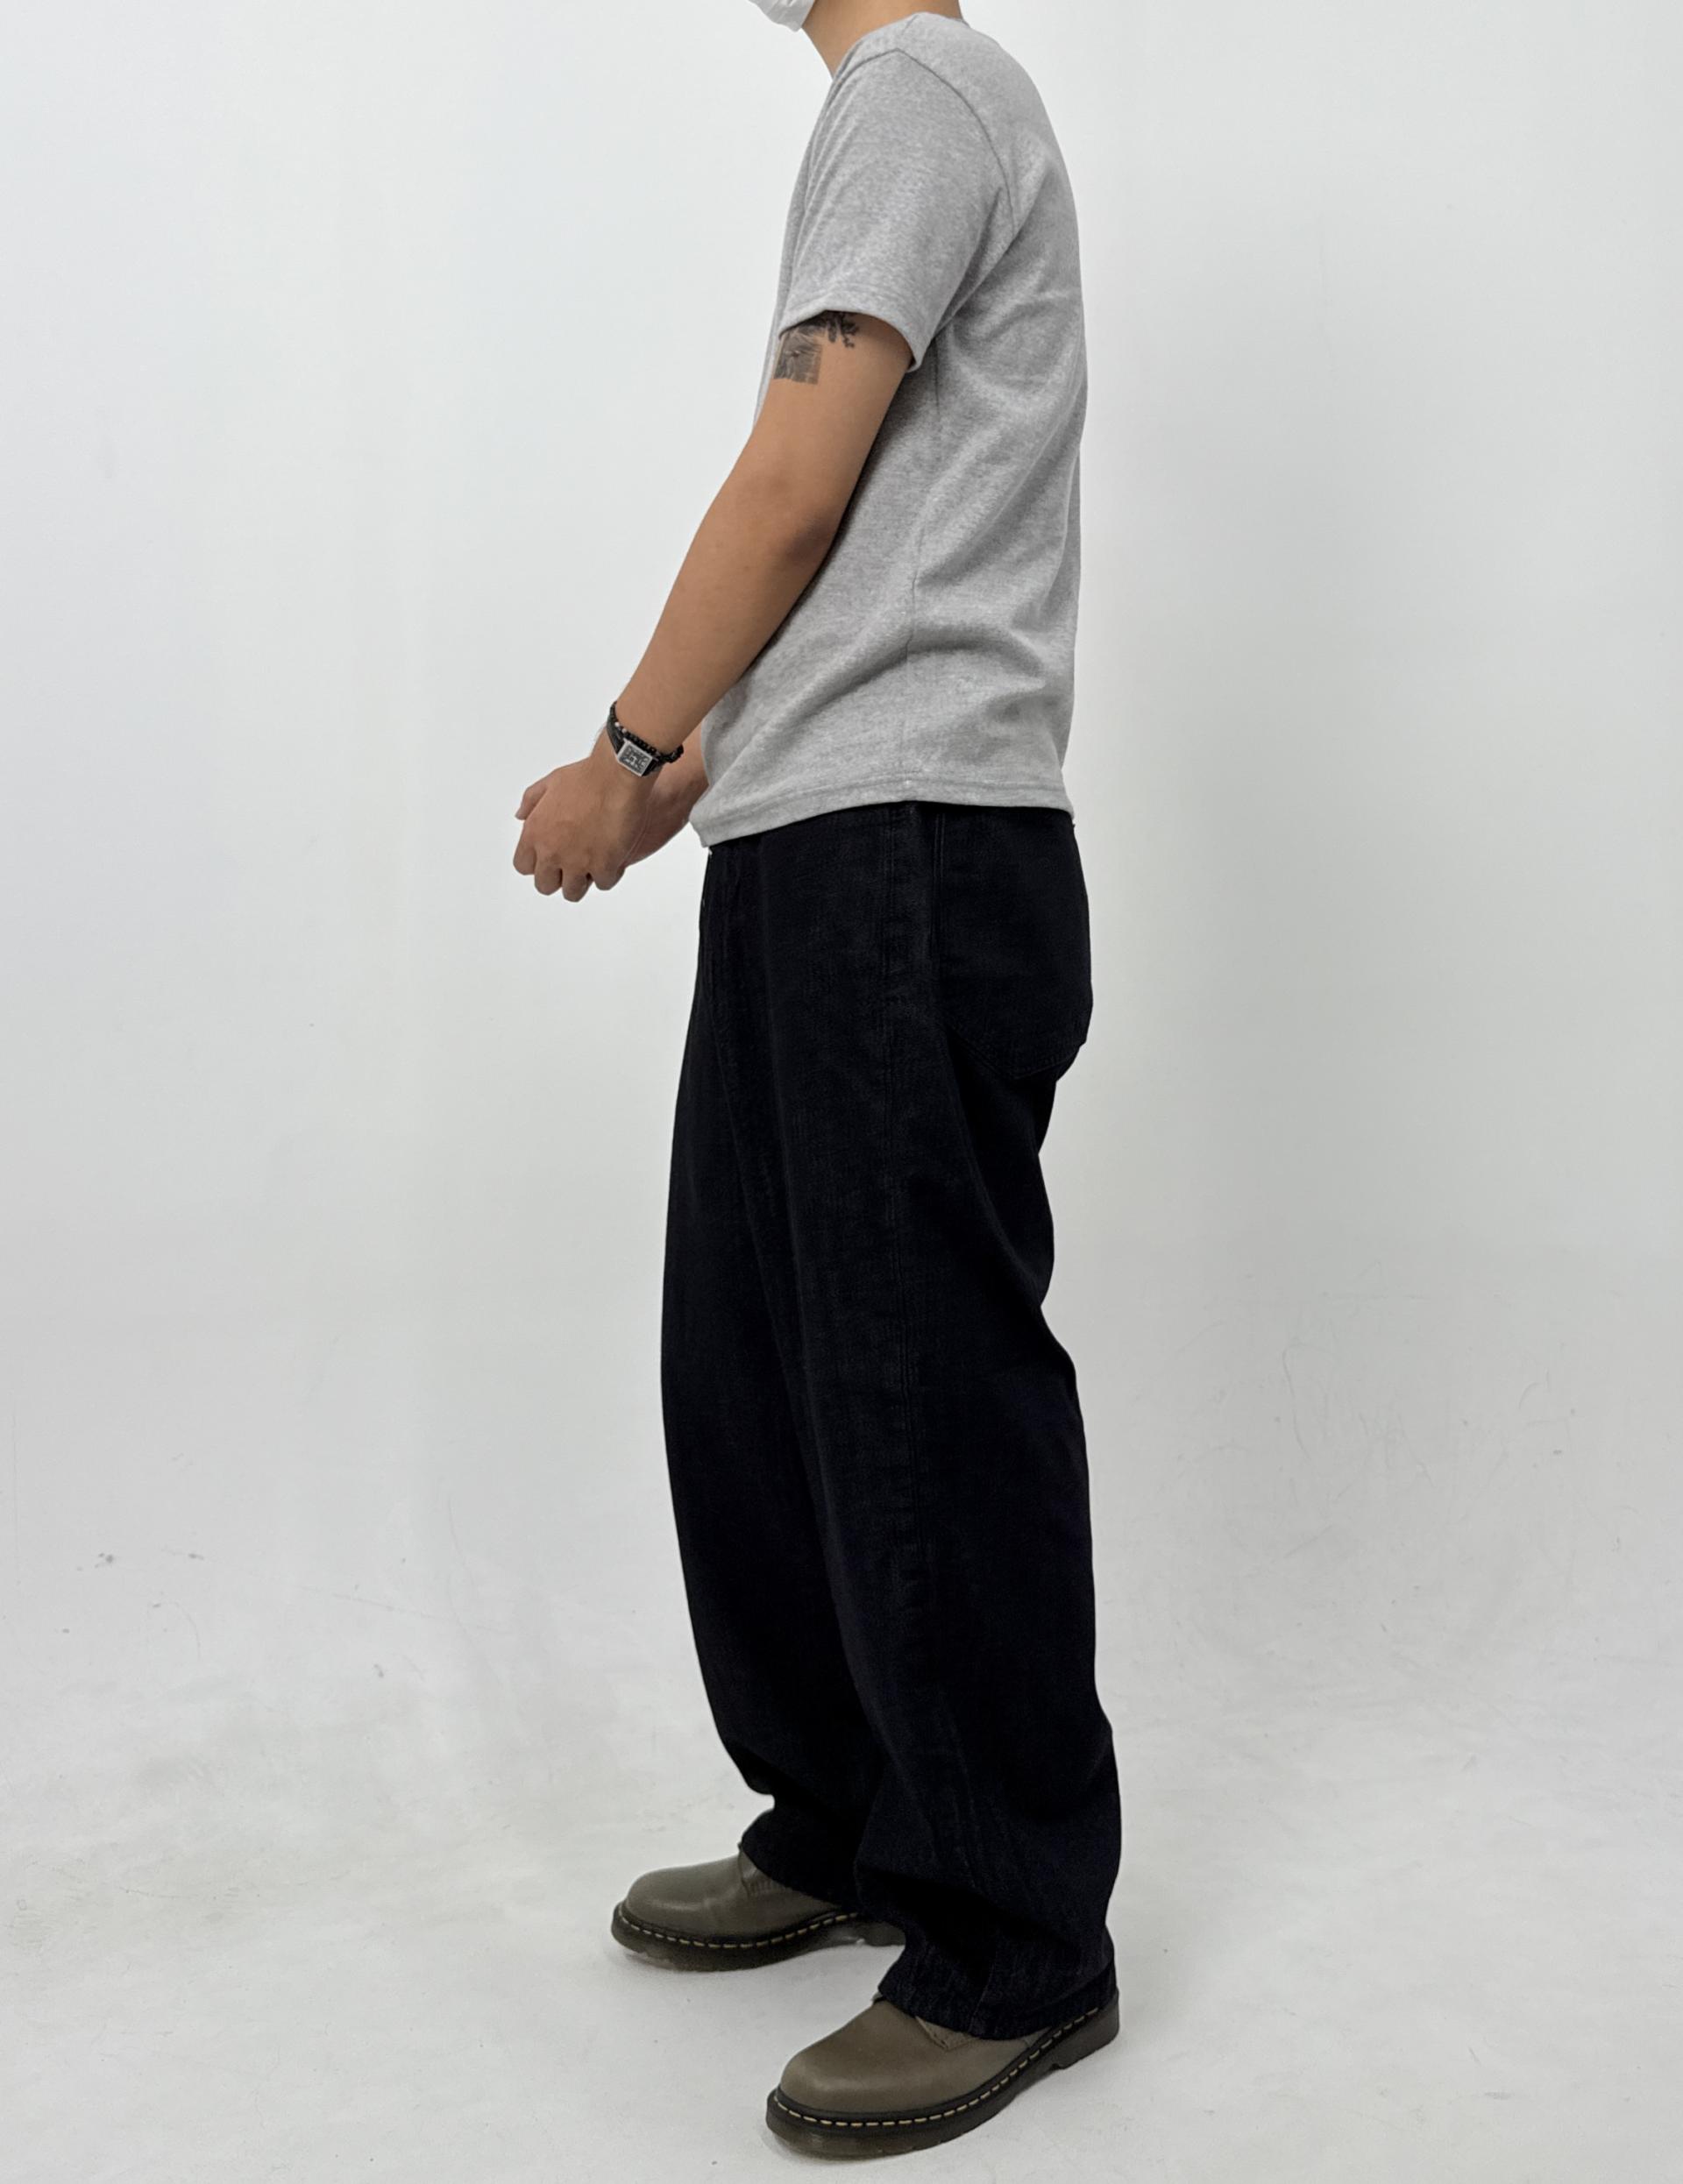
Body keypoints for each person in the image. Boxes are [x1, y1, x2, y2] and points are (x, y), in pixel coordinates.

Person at [513, 0, 1122, 2156]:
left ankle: (1016, 1940)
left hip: (912, 848)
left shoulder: (920, 93)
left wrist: (620, 744)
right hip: (822, 832)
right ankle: (853, 1818)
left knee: (917, 1395)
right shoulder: (910, 112)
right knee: (761, 1373)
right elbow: (871, 533)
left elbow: (795, 486)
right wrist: (701, 770)